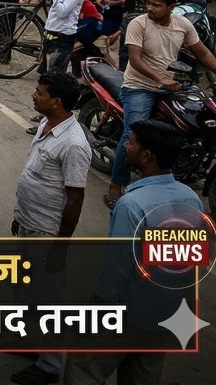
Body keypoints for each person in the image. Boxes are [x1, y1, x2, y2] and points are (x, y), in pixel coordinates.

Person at [69, 120, 203, 385]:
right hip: (163, 315)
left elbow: (115, 272)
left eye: (130, 142)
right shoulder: (191, 198)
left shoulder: (132, 205)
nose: (124, 146)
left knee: (83, 372)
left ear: (146, 156)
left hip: (124, 315)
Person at [107, 0, 216, 206]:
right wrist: (162, 79)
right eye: (149, 3)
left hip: (172, 87)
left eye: (156, 5)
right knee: (132, 133)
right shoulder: (138, 23)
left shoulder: (182, 25)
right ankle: (116, 184)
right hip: (139, 86)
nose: (150, 8)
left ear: (171, 7)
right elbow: (135, 60)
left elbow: (203, 53)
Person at [5, 70, 87, 385]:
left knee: (48, 298)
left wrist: (60, 246)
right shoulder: (45, 125)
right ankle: (31, 343)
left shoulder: (74, 143)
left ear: (56, 101)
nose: (33, 95)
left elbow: (75, 199)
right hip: (28, 222)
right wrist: (19, 214)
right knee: (25, 289)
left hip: (47, 232)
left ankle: (51, 364)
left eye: (39, 92)